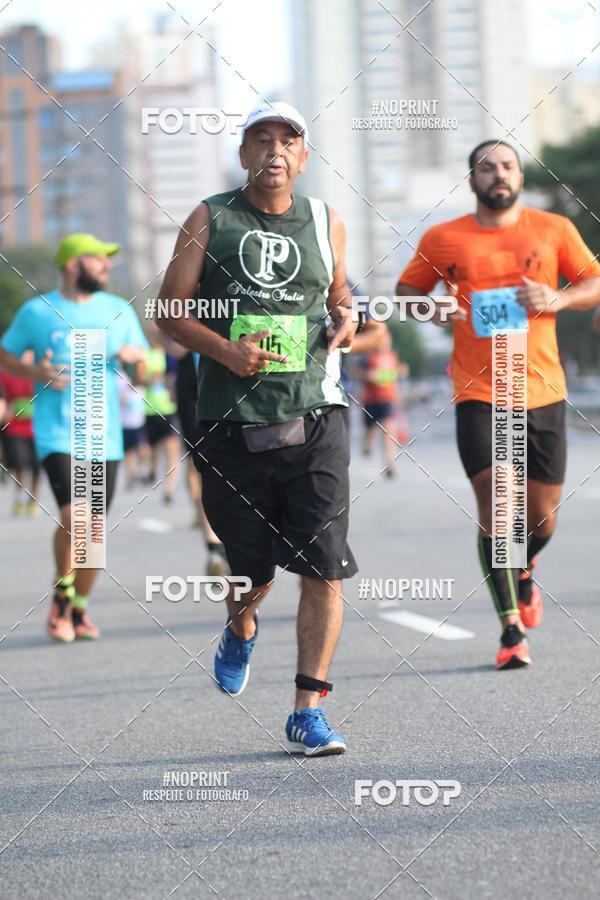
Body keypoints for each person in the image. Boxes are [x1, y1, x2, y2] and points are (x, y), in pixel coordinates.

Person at [156, 100, 359, 755]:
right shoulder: (210, 219)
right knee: (254, 576)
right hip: (227, 422)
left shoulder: (327, 221)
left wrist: (347, 319)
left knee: (323, 567)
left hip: (315, 411)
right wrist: (229, 352)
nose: (274, 150)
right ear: (244, 155)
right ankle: (241, 628)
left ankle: (309, 709)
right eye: (261, 140)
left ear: (303, 156)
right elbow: (168, 312)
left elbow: (339, 297)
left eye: (288, 140)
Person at [396, 140, 600, 669]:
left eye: (507, 165)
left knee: (542, 517)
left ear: (518, 177)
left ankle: (524, 566)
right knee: (497, 501)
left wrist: (558, 298)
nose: (499, 174)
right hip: (479, 391)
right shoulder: (444, 238)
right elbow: (405, 294)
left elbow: (594, 282)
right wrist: (433, 308)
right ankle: (511, 629)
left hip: (542, 390)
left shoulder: (553, 228)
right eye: (487, 167)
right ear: (472, 180)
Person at [0, 233, 148, 643]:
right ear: (71, 264)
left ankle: (77, 609)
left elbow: (146, 370)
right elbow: (5, 353)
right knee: (75, 518)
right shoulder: (37, 311)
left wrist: (139, 362)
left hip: (105, 435)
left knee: (94, 535)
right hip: (57, 431)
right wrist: (35, 373)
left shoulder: (119, 311)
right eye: (99, 259)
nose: (107, 266)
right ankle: (62, 600)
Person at [360, 330, 407, 476]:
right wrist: (367, 375)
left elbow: (400, 371)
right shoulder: (368, 357)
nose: (384, 343)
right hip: (371, 401)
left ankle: (390, 464)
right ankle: (367, 444)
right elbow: (356, 372)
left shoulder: (392, 357)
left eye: (386, 341)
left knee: (388, 431)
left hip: (388, 400)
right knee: (370, 431)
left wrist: (402, 371)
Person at [0, 353, 40, 516]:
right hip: (15, 425)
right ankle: (18, 496)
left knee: (37, 466)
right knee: (19, 463)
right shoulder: (7, 375)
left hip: (37, 426)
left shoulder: (39, 375)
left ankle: (33, 500)